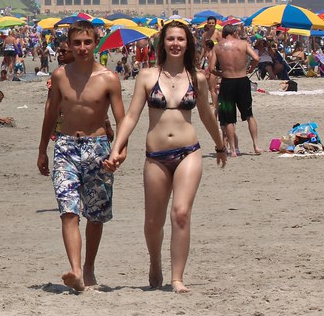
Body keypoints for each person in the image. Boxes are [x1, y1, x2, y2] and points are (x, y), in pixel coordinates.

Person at [105, 20, 228, 293]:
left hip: (189, 152)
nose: (175, 44)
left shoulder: (198, 78)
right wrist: (116, 148)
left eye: (180, 39)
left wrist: (220, 145)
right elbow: (132, 116)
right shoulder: (148, 76)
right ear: (163, 43)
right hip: (156, 156)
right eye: (170, 39)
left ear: (188, 44)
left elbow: (207, 115)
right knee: (153, 222)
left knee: (181, 213)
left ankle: (177, 278)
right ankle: (155, 261)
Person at [37, 21, 126, 292]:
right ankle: (75, 270)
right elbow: (51, 113)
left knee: (95, 214)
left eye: (87, 42)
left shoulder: (109, 78)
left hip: (98, 148)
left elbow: (122, 120)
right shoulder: (61, 75)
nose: (82, 48)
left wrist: (120, 151)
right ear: (69, 45)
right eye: (77, 43)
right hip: (65, 146)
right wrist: (42, 149)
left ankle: (88, 267)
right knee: (68, 211)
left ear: (95, 43)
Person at [207, 24, 262, 155]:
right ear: (234, 33)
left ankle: (232, 149)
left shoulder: (218, 47)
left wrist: (221, 74)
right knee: (249, 115)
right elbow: (256, 58)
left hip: (227, 82)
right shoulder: (243, 44)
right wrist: (251, 69)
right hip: (242, 80)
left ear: (224, 34)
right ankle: (256, 146)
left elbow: (211, 68)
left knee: (228, 118)